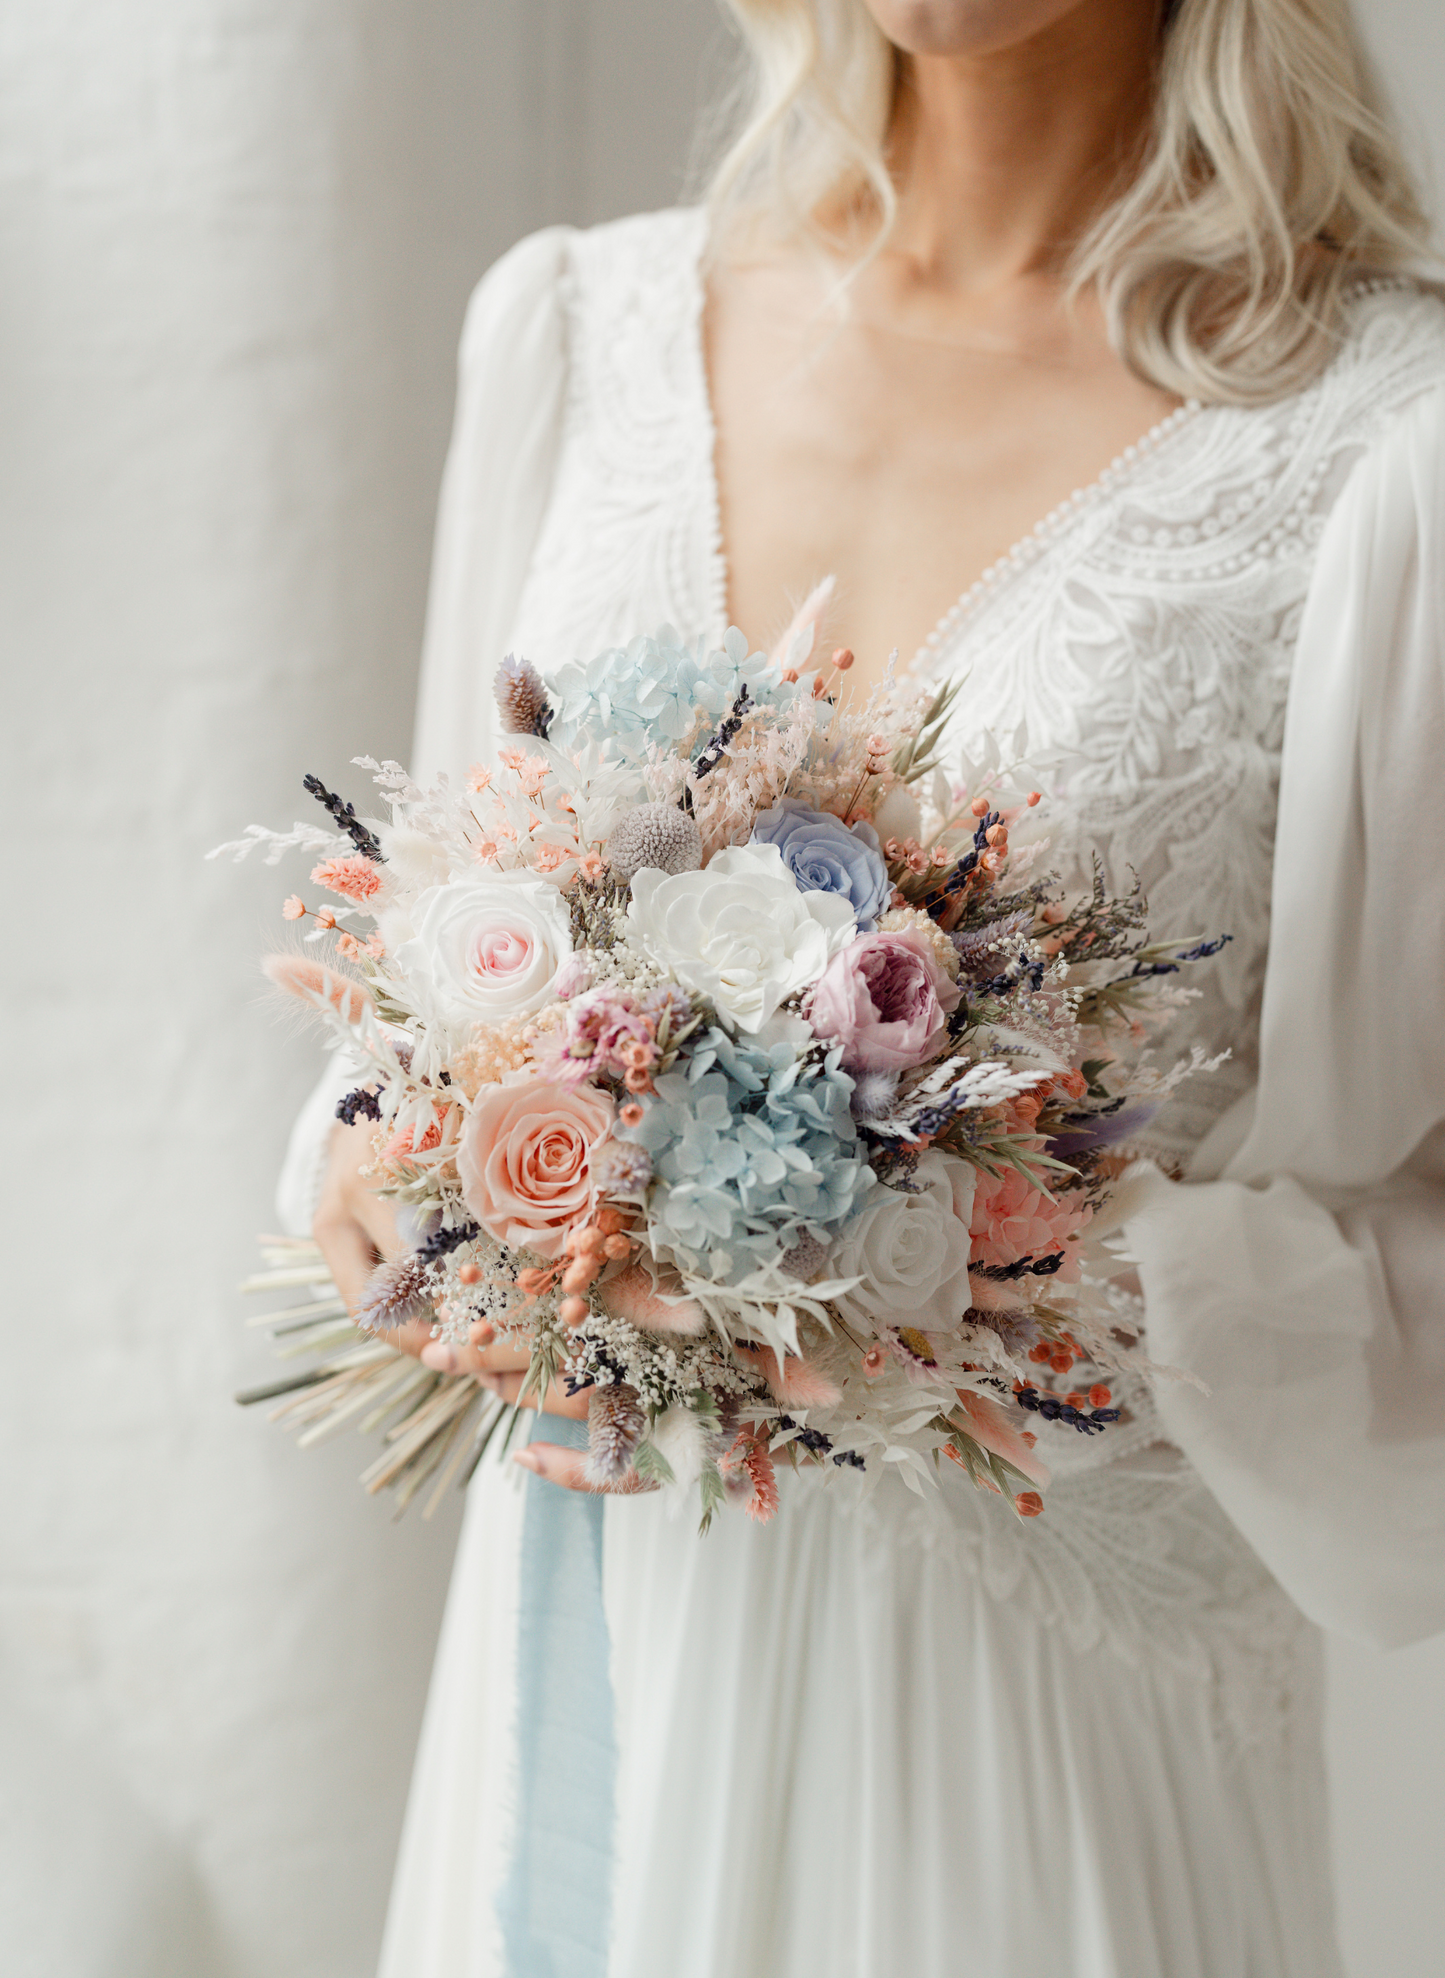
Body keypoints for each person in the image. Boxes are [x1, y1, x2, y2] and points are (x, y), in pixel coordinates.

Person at [281, 2, 1445, 1972]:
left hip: (1039, 1726)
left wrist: (1022, 1267)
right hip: (595, 1640)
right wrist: (439, 1179)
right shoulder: (577, 340)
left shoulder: (1388, 451)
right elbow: (404, 1004)